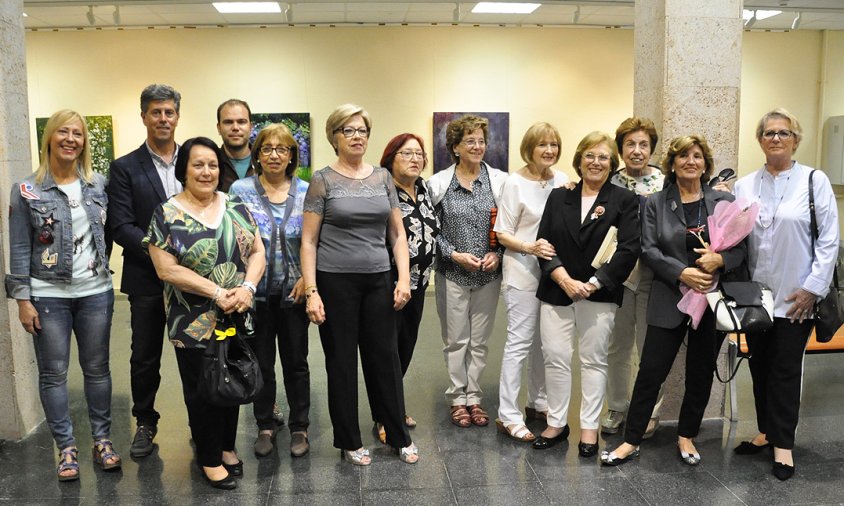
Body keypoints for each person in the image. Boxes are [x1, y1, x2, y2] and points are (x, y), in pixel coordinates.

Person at [601, 135, 746, 467]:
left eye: (697, 156)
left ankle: (687, 435)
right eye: (683, 156)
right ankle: (630, 440)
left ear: (706, 163)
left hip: (711, 299)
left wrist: (720, 261)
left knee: (700, 371)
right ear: (672, 163)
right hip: (669, 297)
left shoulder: (723, 201)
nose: (690, 161)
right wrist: (683, 273)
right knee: (651, 371)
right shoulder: (654, 202)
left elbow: (740, 249)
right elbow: (649, 250)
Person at [144, 136, 266, 489]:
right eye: (198, 164)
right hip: (192, 320)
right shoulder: (166, 213)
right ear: (184, 169)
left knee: (232, 379)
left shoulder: (236, 207)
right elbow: (166, 269)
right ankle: (210, 458)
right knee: (201, 389)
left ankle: (227, 447)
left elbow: (257, 252)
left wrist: (247, 288)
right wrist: (216, 291)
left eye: (212, 164)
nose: (206, 171)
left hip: (237, 312)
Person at [301, 104, 418, 466]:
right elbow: (308, 241)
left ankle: (398, 434)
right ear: (334, 137)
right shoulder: (322, 180)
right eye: (348, 130)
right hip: (336, 282)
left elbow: (398, 234)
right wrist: (312, 291)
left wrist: (402, 278)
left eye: (362, 130)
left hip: (378, 279)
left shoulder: (383, 177)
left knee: (385, 358)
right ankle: (349, 440)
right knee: (341, 361)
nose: (357, 137)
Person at [6, 109, 119, 482]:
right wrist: (23, 299)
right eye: (63, 132)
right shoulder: (27, 190)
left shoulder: (97, 184)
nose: (71, 139)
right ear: (49, 138)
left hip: (96, 292)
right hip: (47, 295)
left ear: (84, 142)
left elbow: (108, 231)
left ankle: (102, 440)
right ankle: (66, 447)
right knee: (54, 374)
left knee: (97, 370)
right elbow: (20, 247)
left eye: (78, 133)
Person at [733, 109, 839, 481]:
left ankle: (783, 444)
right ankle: (766, 431)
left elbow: (829, 239)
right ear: (759, 140)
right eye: (768, 133)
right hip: (755, 298)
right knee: (759, 367)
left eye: (783, 133)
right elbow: (733, 237)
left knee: (785, 370)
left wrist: (813, 288)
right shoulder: (744, 185)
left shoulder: (815, 180)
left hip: (797, 296)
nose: (775, 138)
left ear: (796, 139)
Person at [533, 131, 639, 457]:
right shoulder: (558, 197)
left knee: (593, 360)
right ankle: (556, 422)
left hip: (599, 292)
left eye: (603, 157)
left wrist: (593, 283)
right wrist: (564, 279)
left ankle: (589, 428)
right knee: (555, 356)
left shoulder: (624, 200)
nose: (596, 162)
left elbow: (629, 249)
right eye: (589, 155)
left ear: (612, 164)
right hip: (557, 289)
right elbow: (543, 243)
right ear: (579, 160)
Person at [107, 83, 182, 458]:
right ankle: (145, 422)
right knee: (145, 356)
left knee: (198, 354)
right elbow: (120, 225)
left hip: (194, 278)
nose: (163, 119)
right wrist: (160, 253)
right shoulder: (124, 168)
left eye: (169, 112)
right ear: (144, 117)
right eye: (156, 112)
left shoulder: (195, 161)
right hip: (146, 278)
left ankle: (204, 424)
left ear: (177, 117)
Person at [229, 123, 311, 458]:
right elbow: (233, 241)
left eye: (282, 149)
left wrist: (310, 278)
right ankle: (265, 424)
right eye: (267, 148)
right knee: (260, 363)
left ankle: (300, 427)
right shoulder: (240, 189)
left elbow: (315, 241)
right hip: (255, 295)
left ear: (292, 155)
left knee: (297, 362)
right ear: (257, 154)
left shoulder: (308, 191)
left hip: (294, 293)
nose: (274, 155)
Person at [427, 114, 507, 429]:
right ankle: (457, 397)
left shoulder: (499, 181)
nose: (477, 146)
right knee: (456, 340)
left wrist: (497, 254)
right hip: (453, 274)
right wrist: (453, 254)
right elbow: (431, 230)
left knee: (481, 342)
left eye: (481, 141)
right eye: (469, 141)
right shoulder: (439, 184)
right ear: (456, 147)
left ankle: (475, 396)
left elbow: (507, 226)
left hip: (488, 276)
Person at [493, 122, 569, 441]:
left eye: (554, 144)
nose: (549, 150)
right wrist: (530, 247)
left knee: (544, 341)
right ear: (529, 148)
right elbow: (502, 232)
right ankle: (508, 414)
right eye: (542, 145)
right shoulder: (514, 182)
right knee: (520, 342)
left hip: (553, 272)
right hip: (522, 270)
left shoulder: (563, 180)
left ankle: (538, 402)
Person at [368, 133, 439, 442]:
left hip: (420, 284)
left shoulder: (424, 189)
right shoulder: (382, 191)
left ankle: (393, 405)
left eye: (419, 154)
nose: (415, 159)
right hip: (389, 286)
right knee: (385, 353)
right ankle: (385, 416)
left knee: (405, 348)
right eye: (407, 154)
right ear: (390, 159)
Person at [602, 117, 666, 438]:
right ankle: (617, 406)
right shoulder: (610, 183)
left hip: (657, 278)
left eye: (643, 144)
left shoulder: (665, 184)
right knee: (618, 346)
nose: (637, 151)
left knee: (651, 349)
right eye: (630, 144)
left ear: (651, 149)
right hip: (620, 277)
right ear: (621, 149)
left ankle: (649, 411)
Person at [217, 99, 256, 192]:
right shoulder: (210, 164)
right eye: (228, 122)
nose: (235, 127)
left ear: (250, 127)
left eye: (241, 122)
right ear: (219, 128)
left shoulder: (264, 162)